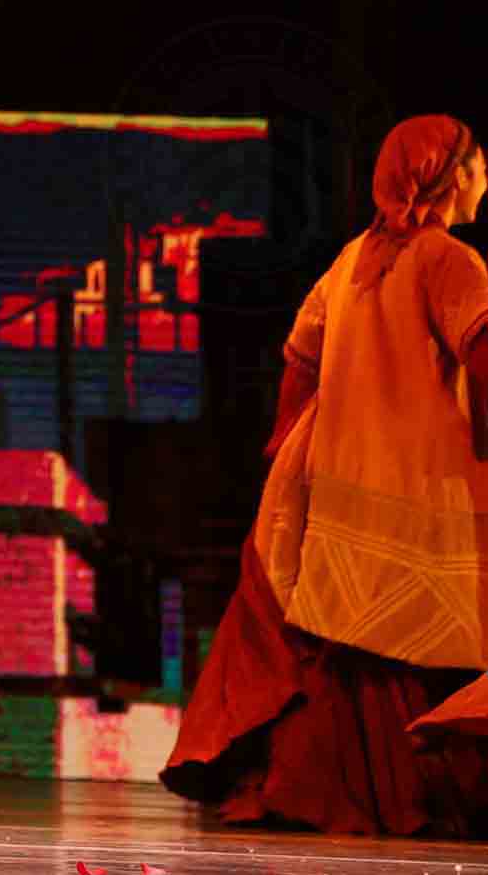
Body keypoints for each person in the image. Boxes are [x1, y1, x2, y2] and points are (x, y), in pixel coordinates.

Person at [164, 115, 488, 835]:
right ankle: (406, 794)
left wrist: (287, 447)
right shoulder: (449, 261)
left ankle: (329, 790)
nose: (487, 177)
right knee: (423, 639)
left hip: (342, 486)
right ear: (453, 174)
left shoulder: (351, 262)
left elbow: (300, 359)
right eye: (481, 163)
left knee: (347, 644)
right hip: (420, 490)